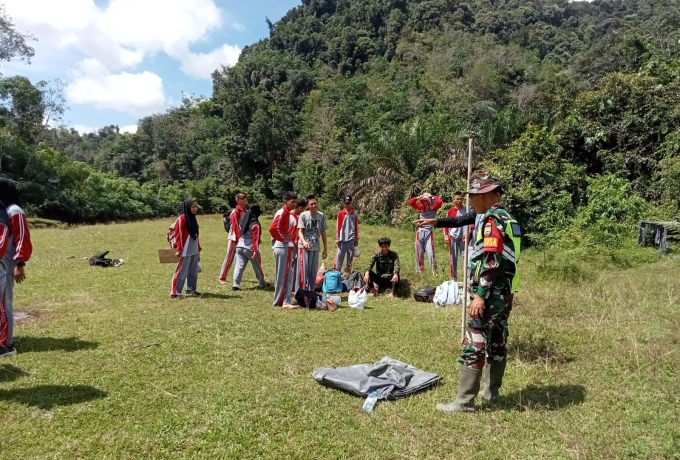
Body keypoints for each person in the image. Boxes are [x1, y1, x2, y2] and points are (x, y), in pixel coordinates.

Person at [434, 172, 521, 414]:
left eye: (474, 195)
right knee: (497, 341)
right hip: (505, 292)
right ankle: (491, 392)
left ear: (488, 195)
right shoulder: (508, 218)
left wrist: (480, 295)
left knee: (474, 343)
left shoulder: (493, 221)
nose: (471, 200)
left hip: (490, 294)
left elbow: (491, 262)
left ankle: (464, 402)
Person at [0, 178, 28, 358]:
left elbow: (22, 238)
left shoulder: (14, 210)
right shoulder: (4, 210)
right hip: (3, 262)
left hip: (8, 263)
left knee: (5, 302)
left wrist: (20, 264)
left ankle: (7, 344)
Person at [269, 192, 299, 309]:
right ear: (285, 201)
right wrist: (282, 238)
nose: (294, 204)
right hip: (282, 247)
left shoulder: (287, 213)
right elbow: (272, 228)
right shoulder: (282, 213)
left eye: (295, 202)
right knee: (283, 275)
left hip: (286, 247)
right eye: (292, 202)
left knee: (288, 273)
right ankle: (283, 302)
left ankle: (284, 300)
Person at [232, 204, 269, 291]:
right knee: (257, 267)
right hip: (250, 248)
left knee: (239, 266)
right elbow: (255, 239)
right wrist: (255, 250)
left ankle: (235, 285)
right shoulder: (255, 224)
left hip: (240, 246)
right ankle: (262, 283)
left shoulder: (244, 221)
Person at [171, 198, 202, 299]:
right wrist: (179, 249)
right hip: (185, 248)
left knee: (193, 270)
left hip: (193, 247)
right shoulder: (182, 218)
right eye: (193, 206)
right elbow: (178, 234)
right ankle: (175, 292)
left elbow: (196, 234)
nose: (195, 208)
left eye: (196, 206)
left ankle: (191, 288)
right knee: (182, 270)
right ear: (188, 207)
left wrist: (198, 248)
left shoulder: (192, 217)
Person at [297, 195, 328, 293]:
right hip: (304, 247)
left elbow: (323, 232)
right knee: (303, 271)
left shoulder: (321, 216)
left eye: (315, 203)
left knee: (313, 271)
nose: (314, 205)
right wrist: (304, 242)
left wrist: (325, 248)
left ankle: (310, 292)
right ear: (307, 206)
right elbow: (300, 231)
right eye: (311, 204)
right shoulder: (303, 215)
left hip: (315, 247)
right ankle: (301, 292)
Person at [408, 193, 442, 274]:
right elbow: (410, 202)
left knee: (430, 253)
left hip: (429, 232)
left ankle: (435, 272)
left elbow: (439, 202)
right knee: (419, 252)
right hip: (420, 232)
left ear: (429, 201)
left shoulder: (433, 208)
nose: (425, 203)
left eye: (426, 201)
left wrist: (432, 196)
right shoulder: (420, 208)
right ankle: (420, 271)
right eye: (423, 201)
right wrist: (420, 196)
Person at [219, 192, 248, 284]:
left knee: (239, 258)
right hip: (234, 237)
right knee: (230, 257)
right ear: (237, 200)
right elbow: (235, 227)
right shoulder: (235, 212)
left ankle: (237, 276)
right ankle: (222, 277)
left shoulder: (246, 211)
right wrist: (240, 238)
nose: (244, 200)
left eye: (245, 198)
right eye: (242, 198)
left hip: (242, 237)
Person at [443, 192, 467, 281]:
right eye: (457, 199)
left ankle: (467, 279)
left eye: (461, 199)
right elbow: (445, 223)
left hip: (464, 237)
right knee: (453, 257)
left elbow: (472, 222)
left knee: (465, 257)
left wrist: (470, 232)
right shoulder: (450, 211)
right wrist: (445, 235)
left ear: (463, 199)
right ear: (454, 200)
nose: (459, 200)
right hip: (453, 236)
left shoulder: (467, 210)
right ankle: (453, 279)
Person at [335, 195, 359, 276]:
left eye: (349, 203)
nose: (347, 205)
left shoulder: (354, 214)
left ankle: (347, 274)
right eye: (346, 203)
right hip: (342, 239)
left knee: (350, 258)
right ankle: (336, 273)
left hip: (351, 239)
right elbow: (338, 226)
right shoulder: (340, 213)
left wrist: (356, 239)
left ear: (352, 203)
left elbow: (356, 227)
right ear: (344, 204)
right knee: (339, 258)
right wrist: (337, 237)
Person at [291, 198, 307, 294]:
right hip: (293, 246)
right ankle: (292, 287)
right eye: (304, 209)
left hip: (293, 245)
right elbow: (294, 236)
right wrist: (296, 249)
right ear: (300, 208)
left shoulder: (293, 216)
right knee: (293, 267)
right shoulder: (293, 218)